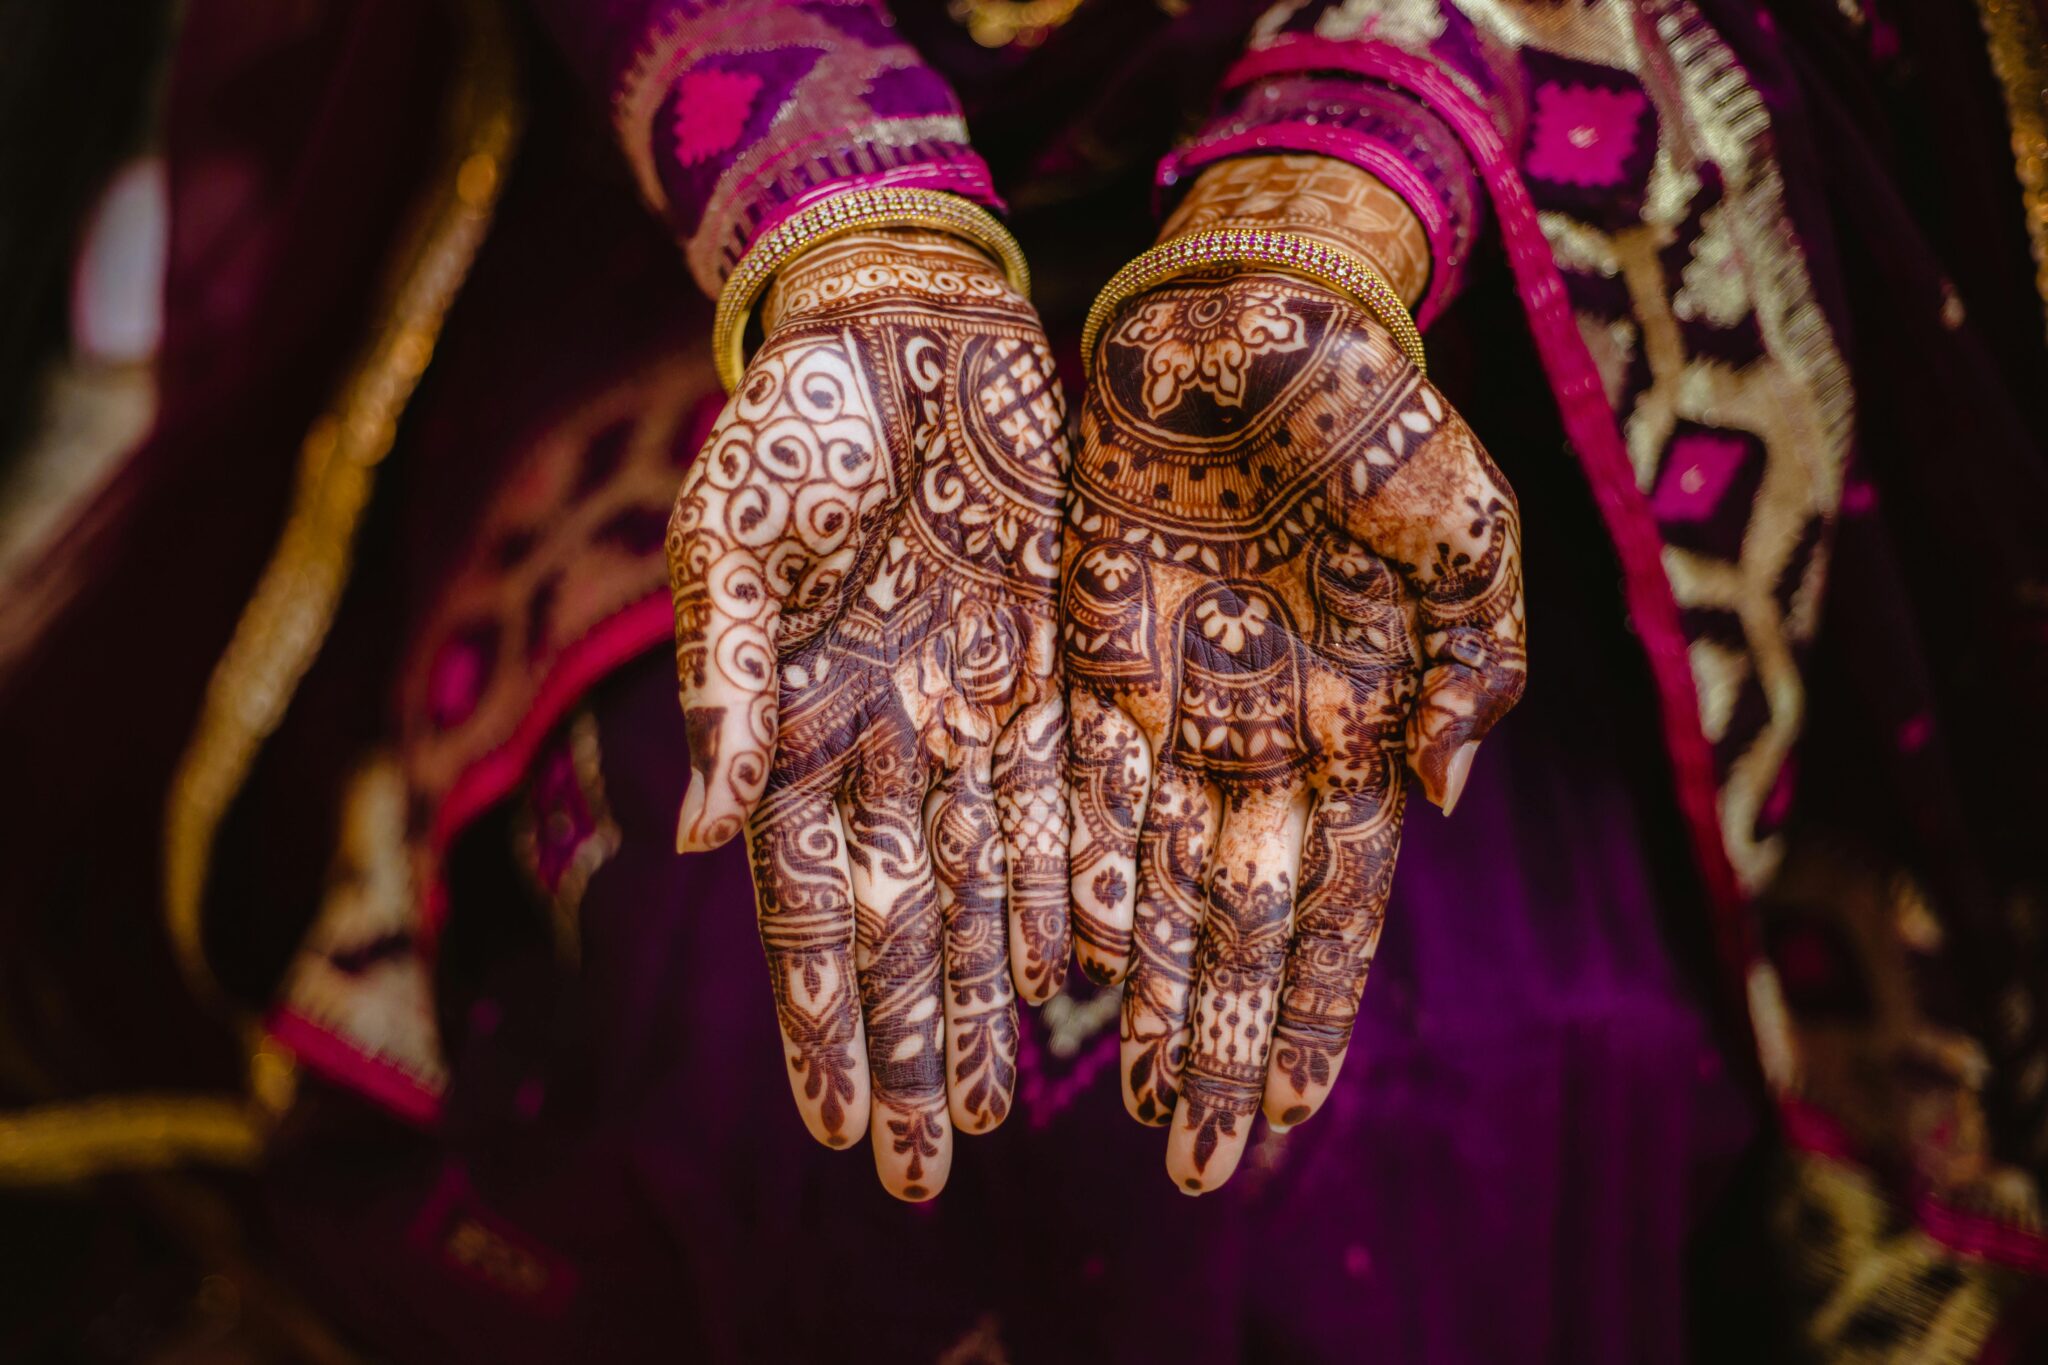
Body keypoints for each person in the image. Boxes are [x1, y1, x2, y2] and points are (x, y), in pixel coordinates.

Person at [3, 0, 2045, 1359]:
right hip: (700, 217)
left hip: (1477, 219)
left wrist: (1323, 213)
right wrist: (850, 246)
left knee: (1452, 1062)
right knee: (792, 1027)